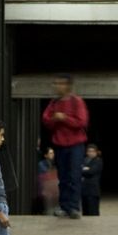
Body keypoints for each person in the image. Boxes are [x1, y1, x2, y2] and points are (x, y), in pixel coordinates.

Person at [41, 73, 89, 219]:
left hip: (75, 145)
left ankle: (73, 207)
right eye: (55, 83)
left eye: (60, 83)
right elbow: (46, 120)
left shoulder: (76, 101)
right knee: (63, 178)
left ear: (68, 85)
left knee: (74, 176)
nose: (57, 86)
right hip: (60, 145)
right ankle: (64, 206)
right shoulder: (54, 102)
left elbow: (82, 122)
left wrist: (64, 118)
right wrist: (55, 119)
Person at [81, 143, 103, 216]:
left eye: (93, 151)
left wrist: (83, 170)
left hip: (93, 191)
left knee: (93, 212)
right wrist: (85, 169)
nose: (91, 153)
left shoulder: (98, 161)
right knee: (85, 212)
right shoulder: (84, 160)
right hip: (84, 190)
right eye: (89, 151)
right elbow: (77, 170)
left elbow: (91, 171)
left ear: (96, 152)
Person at [37, 147, 59, 214]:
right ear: (46, 155)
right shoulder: (41, 164)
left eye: (53, 153)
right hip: (45, 187)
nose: (52, 155)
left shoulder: (55, 164)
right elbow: (46, 174)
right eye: (50, 153)